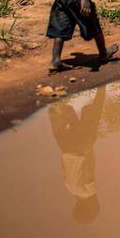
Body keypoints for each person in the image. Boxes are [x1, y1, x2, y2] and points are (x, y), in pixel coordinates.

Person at [48, 85, 106, 224]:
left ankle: (102, 87)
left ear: (91, 206)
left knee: (95, 113)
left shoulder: (89, 192)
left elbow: (88, 171)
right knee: (71, 120)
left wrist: (87, 151)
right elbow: (64, 168)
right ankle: (57, 95)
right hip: (66, 149)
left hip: (81, 149)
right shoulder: (70, 189)